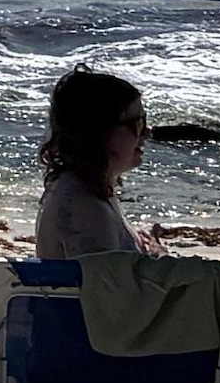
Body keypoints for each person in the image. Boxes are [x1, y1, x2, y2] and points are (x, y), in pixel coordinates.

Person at [34, 66, 154, 263]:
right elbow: (108, 290)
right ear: (100, 133)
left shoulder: (88, 189)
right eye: (138, 122)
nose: (147, 133)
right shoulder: (85, 208)